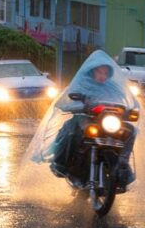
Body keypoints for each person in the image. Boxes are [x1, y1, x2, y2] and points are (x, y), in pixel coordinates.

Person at [49, 54, 137, 186]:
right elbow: (65, 101)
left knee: (131, 130)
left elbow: (123, 102)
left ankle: (122, 162)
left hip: (108, 122)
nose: (102, 75)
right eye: (99, 72)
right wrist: (81, 105)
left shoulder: (113, 88)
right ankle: (65, 165)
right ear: (92, 71)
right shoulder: (81, 84)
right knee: (72, 133)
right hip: (86, 118)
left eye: (105, 72)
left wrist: (128, 111)